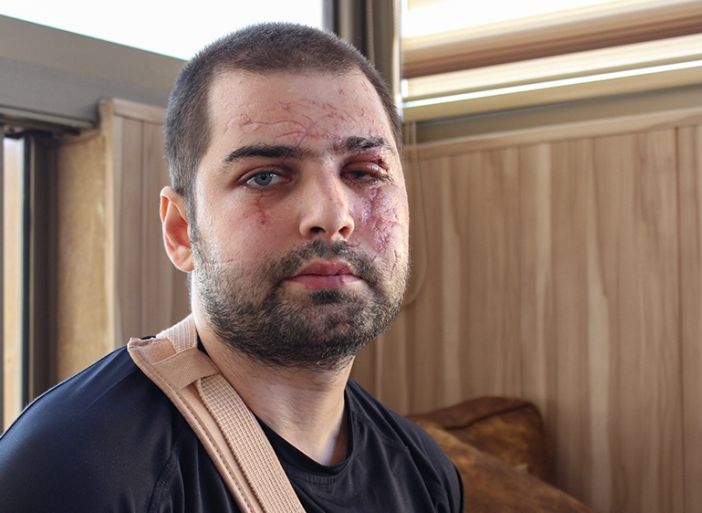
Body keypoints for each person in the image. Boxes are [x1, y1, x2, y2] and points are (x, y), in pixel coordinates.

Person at [0, 22, 463, 513]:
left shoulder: (425, 473)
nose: (332, 215)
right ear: (182, 230)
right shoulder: (72, 469)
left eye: (364, 172)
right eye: (265, 177)